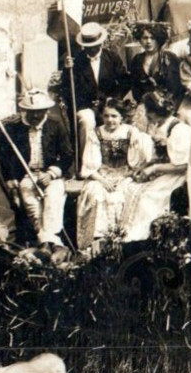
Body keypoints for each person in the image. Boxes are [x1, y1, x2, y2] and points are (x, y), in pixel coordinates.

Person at [0, 88, 73, 257]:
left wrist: (51, 173)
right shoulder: (14, 129)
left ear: (46, 110)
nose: (35, 116)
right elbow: (5, 157)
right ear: (24, 110)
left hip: (51, 175)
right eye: (31, 112)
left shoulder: (55, 125)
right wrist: (11, 178)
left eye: (39, 112)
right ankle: (52, 244)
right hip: (27, 175)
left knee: (53, 197)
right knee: (31, 203)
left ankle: (46, 243)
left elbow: (67, 155)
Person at [76, 98, 150, 251]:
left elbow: (137, 162)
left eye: (114, 116)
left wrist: (125, 177)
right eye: (106, 116)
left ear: (122, 117)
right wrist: (102, 180)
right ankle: (97, 241)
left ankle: (121, 243)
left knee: (123, 195)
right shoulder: (96, 133)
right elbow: (90, 166)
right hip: (101, 176)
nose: (110, 120)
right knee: (95, 193)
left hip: (125, 175)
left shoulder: (131, 132)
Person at [119, 91, 190, 242]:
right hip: (165, 172)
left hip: (179, 177)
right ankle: (124, 235)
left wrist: (154, 169)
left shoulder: (180, 130)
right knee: (129, 188)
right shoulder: (160, 126)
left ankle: (144, 238)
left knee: (147, 196)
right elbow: (158, 157)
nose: (146, 115)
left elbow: (184, 166)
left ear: (159, 111)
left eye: (149, 111)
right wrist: (144, 166)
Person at [61, 22, 131, 155]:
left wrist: (112, 99)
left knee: (114, 119)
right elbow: (67, 88)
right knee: (87, 121)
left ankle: (114, 157)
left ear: (101, 43)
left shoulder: (112, 58)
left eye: (94, 46)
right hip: (85, 105)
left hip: (108, 103)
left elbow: (125, 81)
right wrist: (67, 70)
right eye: (88, 47)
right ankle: (87, 158)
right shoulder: (76, 61)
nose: (91, 49)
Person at [128, 22, 182, 107]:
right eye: (145, 38)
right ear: (140, 39)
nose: (148, 42)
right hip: (145, 105)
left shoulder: (169, 58)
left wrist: (165, 102)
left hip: (169, 104)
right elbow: (135, 87)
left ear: (159, 39)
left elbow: (176, 86)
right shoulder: (137, 60)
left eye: (153, 38)